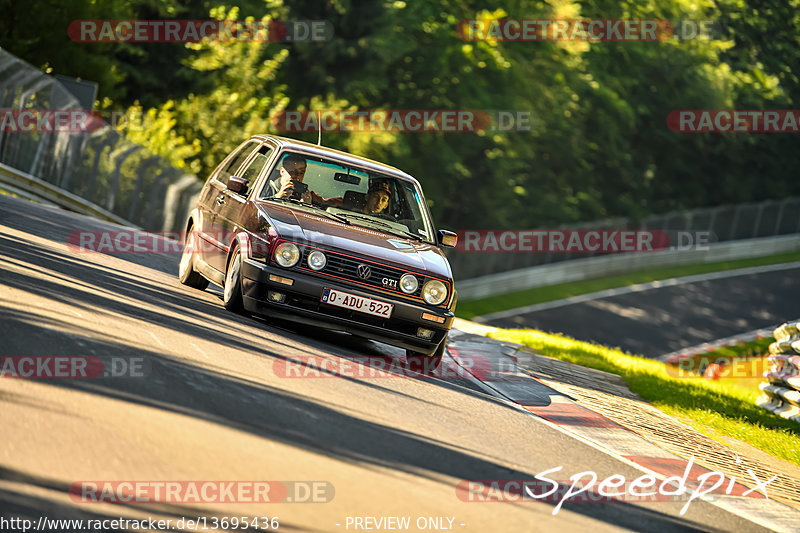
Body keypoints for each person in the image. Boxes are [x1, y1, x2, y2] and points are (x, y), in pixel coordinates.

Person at [275, 154, 341, 206]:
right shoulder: (267, 187)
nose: (297, 177)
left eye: (301, 173)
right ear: (282, 171)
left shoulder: (308, 196)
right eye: (292, 171)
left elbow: (330, 204)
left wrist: (307, 205)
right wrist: (278, 197)